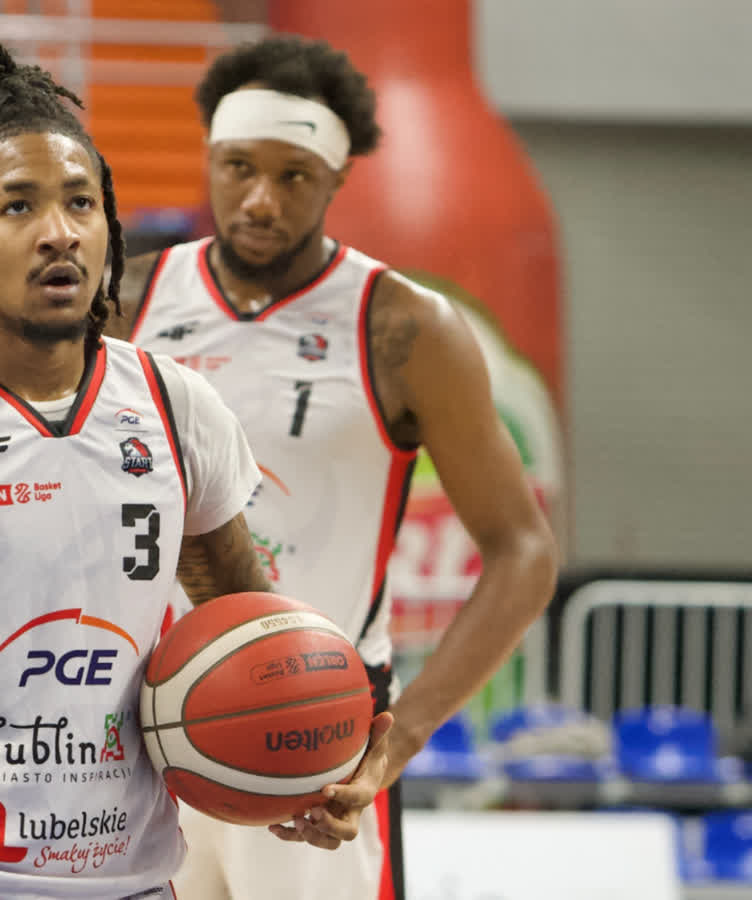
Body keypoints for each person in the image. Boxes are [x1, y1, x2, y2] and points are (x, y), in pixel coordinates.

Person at [0, 26, 394, 900]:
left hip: (136, 883)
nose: (59, 233)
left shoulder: (175, 407)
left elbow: (253, 636)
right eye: (19, 207)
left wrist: (315, 765)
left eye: (81, 204)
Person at [106, 35, 559, 900]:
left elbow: (525, 551)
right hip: (134, 731)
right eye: (239, 167)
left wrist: (403, 735)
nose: (260, 199)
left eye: (294, 175)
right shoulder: (124, 305)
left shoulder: (406, 328)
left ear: (338, 177)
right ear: (209, 158)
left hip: (310, 737)